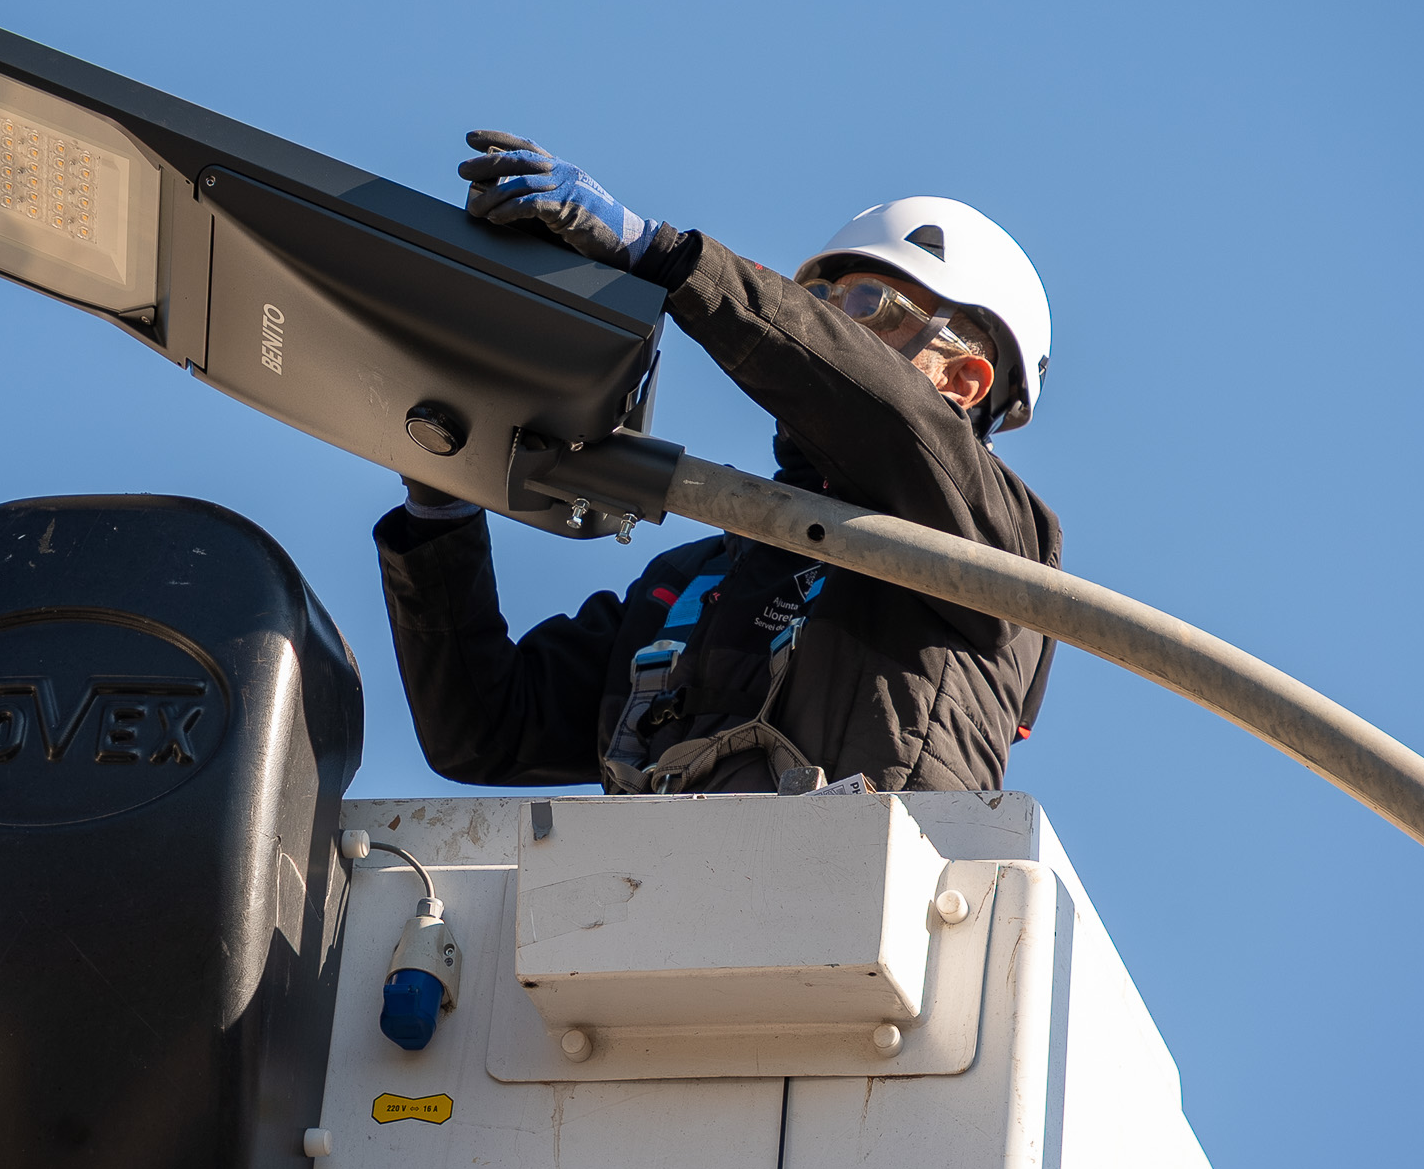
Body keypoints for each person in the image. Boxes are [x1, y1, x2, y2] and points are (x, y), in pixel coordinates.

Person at [372, 132, 1062, 794]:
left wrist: (666, 257)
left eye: (870, 304)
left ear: (964, 380)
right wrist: (442, 489)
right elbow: (485, 731)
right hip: (652, 878)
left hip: (857, 873)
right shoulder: (697, 583)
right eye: (821, 303)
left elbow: (888, 416)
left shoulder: (1002, 539)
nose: (833, 325)